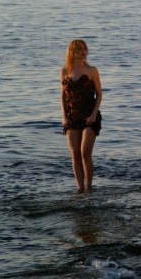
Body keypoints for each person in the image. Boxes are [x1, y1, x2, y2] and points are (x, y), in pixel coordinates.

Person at [60, 39, 102, 193]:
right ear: (72, 51)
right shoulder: (64, 71)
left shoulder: (92, 70)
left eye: (85, 48)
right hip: (71, 117)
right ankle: (80, 189)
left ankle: (89, 189)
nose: (83, 51)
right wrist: (64, 117)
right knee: (75, 154)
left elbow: (99, 94)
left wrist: (94, 114)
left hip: (89, 116)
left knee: (85, 153)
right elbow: (63, 97)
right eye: (79, 49)